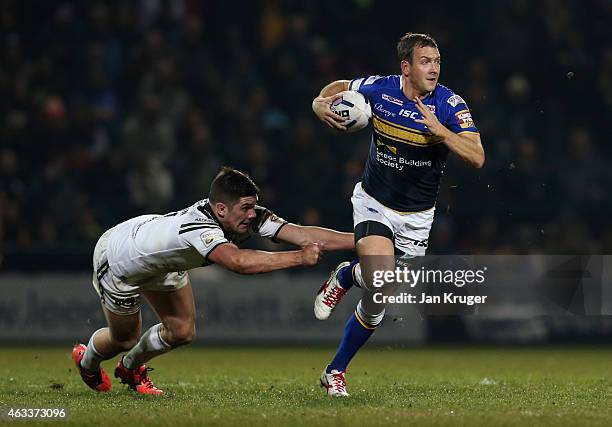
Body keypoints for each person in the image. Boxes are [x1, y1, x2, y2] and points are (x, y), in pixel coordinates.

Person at [72, 166, 354, 395]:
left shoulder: (241, 216)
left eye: (253, 207)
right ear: (221, 210)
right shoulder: (200, 227)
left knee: (181, 331)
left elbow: (303, 234)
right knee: (125, 338)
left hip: (162, 258)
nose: (252, 215)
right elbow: (238, 262)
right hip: (120, 259)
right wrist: (298, 258)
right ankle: (87, 362)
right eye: (245, 208)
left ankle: (131, 368)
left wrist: (363, 240)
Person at [311, 33, 484, 397]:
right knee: (380, 277)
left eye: (437, 61)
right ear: (405, 67)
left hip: (417, 216)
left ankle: (345, 282)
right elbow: (337, 86)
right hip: (374, 201)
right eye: (425, 61)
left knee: (380, 295)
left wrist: (441, 133)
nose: (434, 68)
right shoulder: (378, 89)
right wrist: (318, 103)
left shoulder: (450, 104)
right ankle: (339, 373)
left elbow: (477, 155)